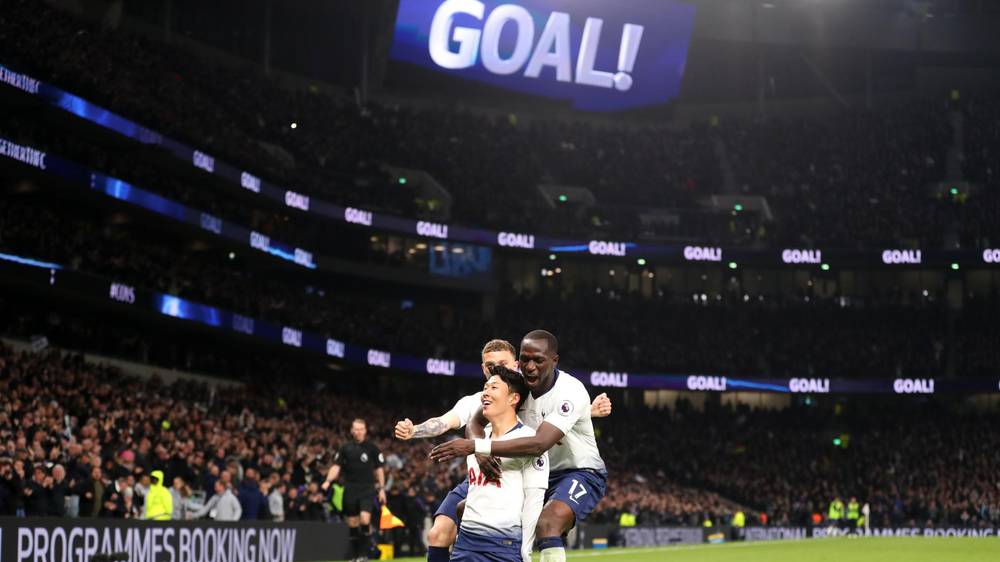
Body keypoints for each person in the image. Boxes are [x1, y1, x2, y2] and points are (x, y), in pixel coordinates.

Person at [394, 339, 612, 562]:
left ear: (516, 365)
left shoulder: (530, 391)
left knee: (547, 523)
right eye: (490, 366)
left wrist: (586, 412)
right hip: (500, 467)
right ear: (483, 369)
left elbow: (546, 432)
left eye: (503, 364)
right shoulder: (480, 399)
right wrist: (415, 430)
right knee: (440, 530)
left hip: (565, 469)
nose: (497, 369)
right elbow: (453, 422)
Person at [451, 369, 548, 562]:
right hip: (466, 543)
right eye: (485, 387)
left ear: (513, 398)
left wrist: (525, 552)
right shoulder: (477, 440)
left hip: (503, 545)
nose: (485, 392)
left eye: (493, 387)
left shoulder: (528, 439)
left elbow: (533, 501)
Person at [322, 419, 386, 562]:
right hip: (350, 489)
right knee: (353, 523)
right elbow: (336, 466)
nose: (358, 432)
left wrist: (381, 489)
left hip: (367, 489)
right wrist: (328, 481)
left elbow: (379, 469)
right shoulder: (345, 448)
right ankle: (356, 555)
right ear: (352, 430)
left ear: (365, 430)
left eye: (361, 429)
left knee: (364, 519)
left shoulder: (372, 448)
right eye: (356, 429)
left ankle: (365, 553)